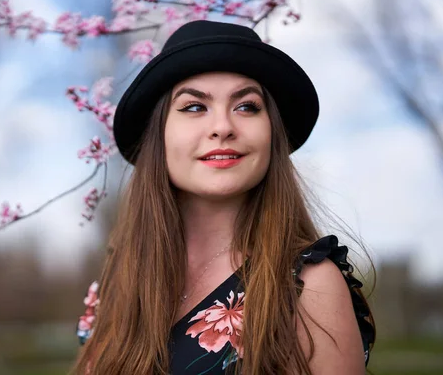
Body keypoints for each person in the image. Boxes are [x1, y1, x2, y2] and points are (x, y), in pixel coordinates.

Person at [73, 20, 375, 375]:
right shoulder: (116, 285)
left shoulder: (308, 286)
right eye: (194, 107)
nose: (223, 127)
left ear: (272, 135)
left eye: (246, 106)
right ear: (160, 136)